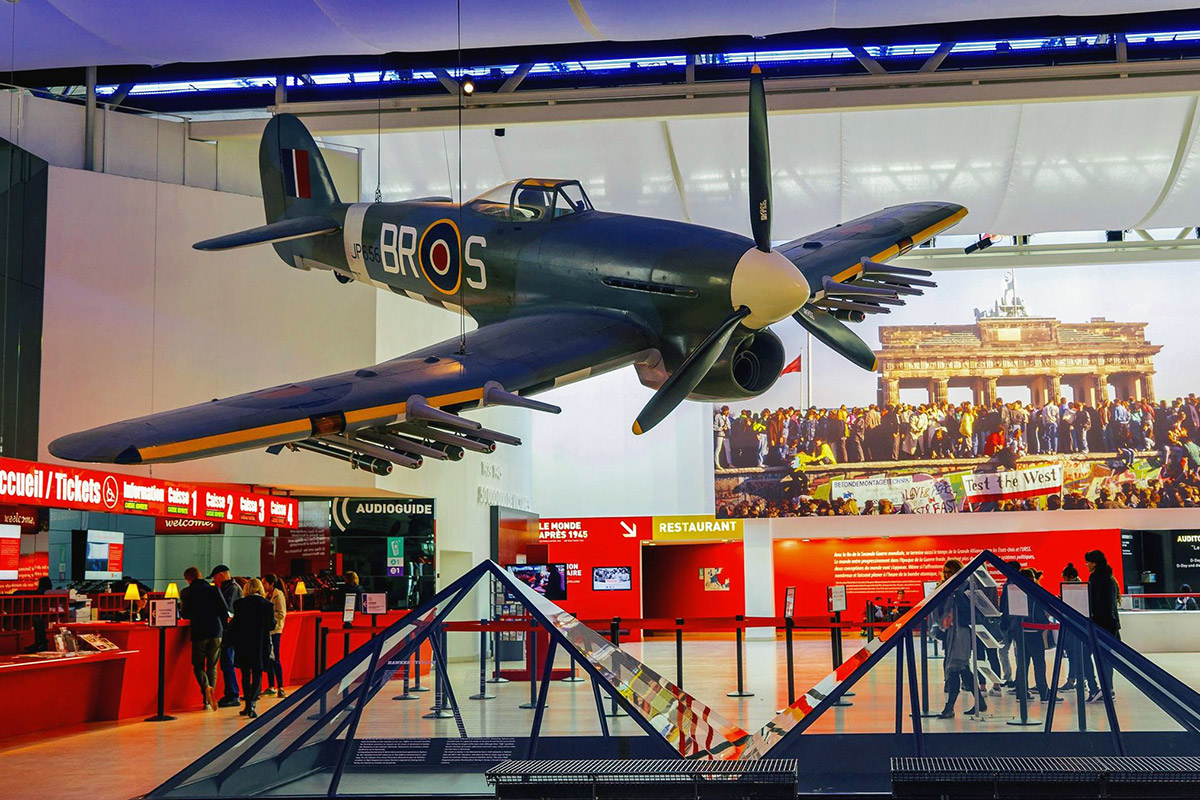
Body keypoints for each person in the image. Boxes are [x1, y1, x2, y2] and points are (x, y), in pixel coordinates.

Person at [936, 559, 987, 718]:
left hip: (962, 631)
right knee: (961, 668)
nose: (946, 575)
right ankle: (980, 702)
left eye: (950, 571)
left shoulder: (966, 586)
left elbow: (972, 609)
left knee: (954, 667)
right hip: (950, 632)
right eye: (945, 571)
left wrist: (957, 594)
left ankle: (949, 707)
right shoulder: (945, 587)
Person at [226, 578, 275, 719]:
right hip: (260, 644)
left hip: (243, 643)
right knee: (258, 673)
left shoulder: (239, 604)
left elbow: (234, 625)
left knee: (245, 674)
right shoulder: (267, 605)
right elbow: (271, 625)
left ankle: (247, 703)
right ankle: (253, 703)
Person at [179, 566, 226, 711]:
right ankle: (209, 697)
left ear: (188, 579)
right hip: (216, 631)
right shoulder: (213, 589)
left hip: (199, 632)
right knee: (212, 666)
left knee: (198, 665)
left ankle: (206, 689)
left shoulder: (187, 592)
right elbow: (223, 609)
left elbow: (185, 614)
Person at [1084, 549, 1121, 702]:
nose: (1086, 565)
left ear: (1094, 563)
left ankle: (1095, 688)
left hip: (1099, 625)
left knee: (1085, 655)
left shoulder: (1096, 578)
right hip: (1111, 625)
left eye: (1088, 562)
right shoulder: (1110, 579)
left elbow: (1094, 602)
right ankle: (1108, 689)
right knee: (1106, 658)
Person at [1060, 563, 1099, 696]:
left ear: (1069, 577)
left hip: (1076, 629)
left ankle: (1078, 682)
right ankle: (1080, 681)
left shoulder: (1074, 589)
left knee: (1076, 655)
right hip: (1078, 628)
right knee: (1077, 656)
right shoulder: (1081, 587)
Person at [1018, 568, 1052, 701]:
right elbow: (1038, 614)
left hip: (1021, 633)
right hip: (1034, 632)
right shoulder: (1034, 593)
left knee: (1023, 664)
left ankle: (1021, 692)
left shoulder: (1016, 592)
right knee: (1039, 664)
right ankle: (1044, 693)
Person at [212, 564, 242, 708]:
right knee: (226, 663)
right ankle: (231, 693)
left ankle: (233, 694)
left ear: (222, 575)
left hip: (228, 633)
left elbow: (226, 611)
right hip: (230, 632)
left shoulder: (231, 589)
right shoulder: (233, 587)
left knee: (227, 663)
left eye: (215, 577)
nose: (214, 581)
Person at [262, 574, 288, 699]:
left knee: (276, 658)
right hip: (269, 630)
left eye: (265, 583)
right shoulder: (267, 596)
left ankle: (280, 686)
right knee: (269, 658)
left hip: (275, 630)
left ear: (271, 584)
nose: (263, 586)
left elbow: (281, 614)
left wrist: (270, 619)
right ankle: (272, 685)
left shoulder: (278, 596)